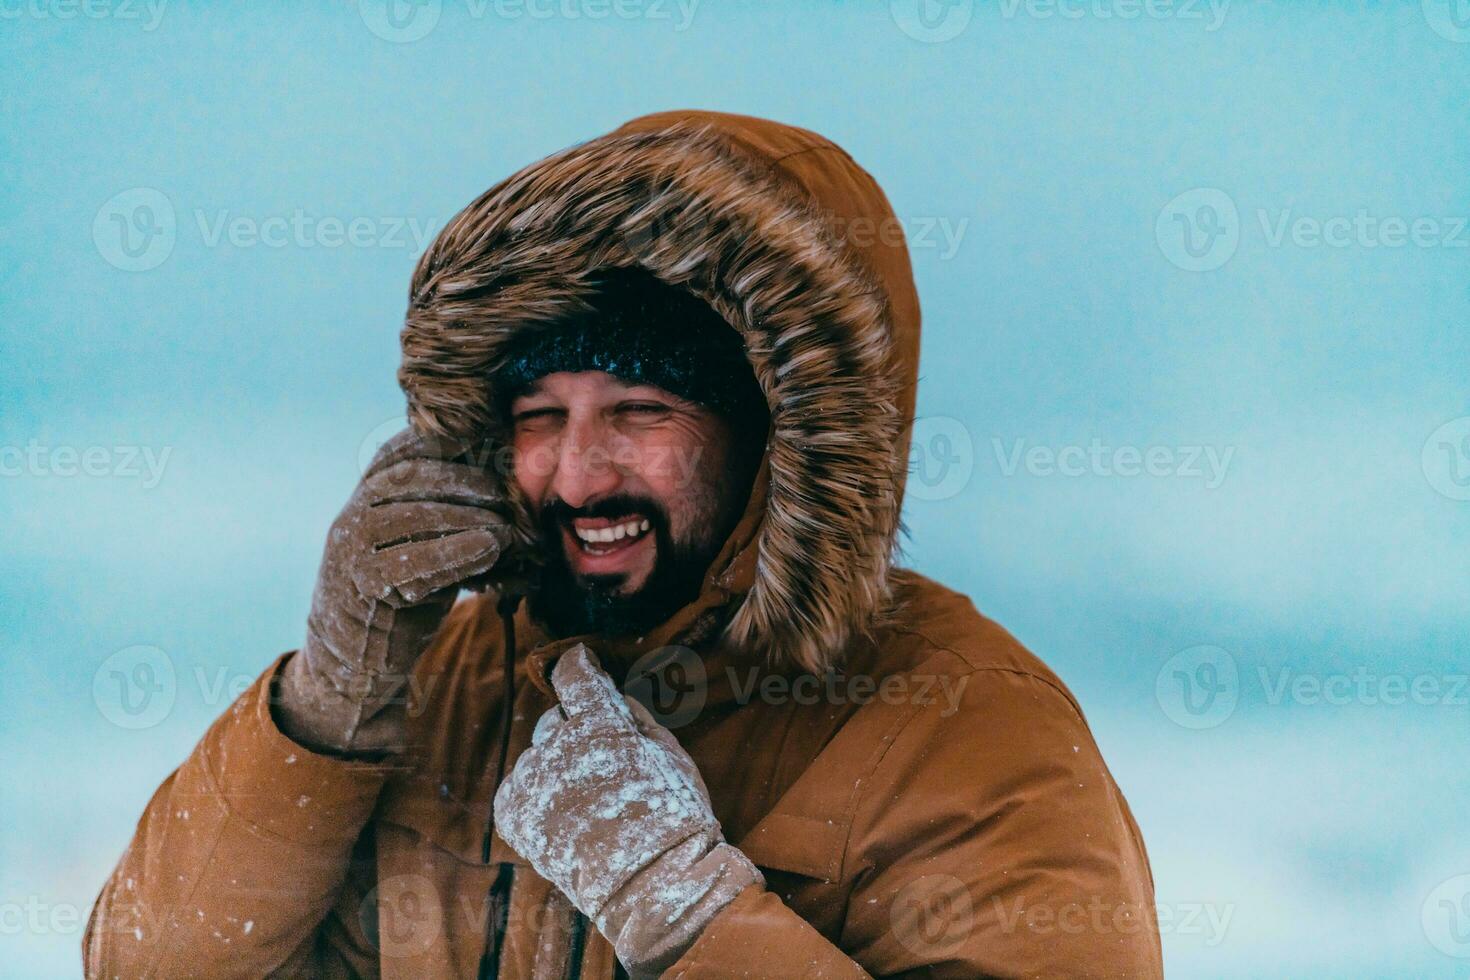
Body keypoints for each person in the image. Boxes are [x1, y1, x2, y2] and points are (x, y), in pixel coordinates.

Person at [84, 110, 1163, 979]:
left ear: (773, 432)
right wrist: (326, 703)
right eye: (539, 413)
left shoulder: (972, 725)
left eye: (641, 410)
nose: (577, 472)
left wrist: (692, 912)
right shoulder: (444, 686)